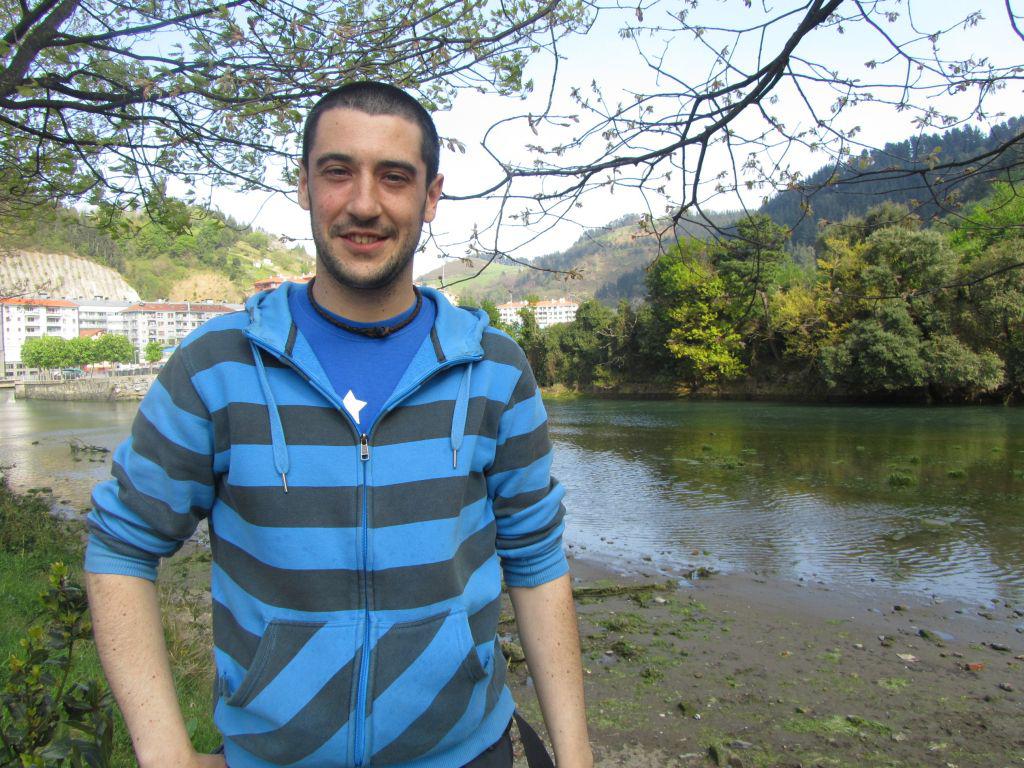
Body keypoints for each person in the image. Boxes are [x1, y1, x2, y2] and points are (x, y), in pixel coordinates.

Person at [84, 81, 593, 768]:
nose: (364, 204)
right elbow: (121, 545)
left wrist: (576, 757)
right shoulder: (218, 366)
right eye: (337, 171)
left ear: (431, 197)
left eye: (394, 177)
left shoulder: (494, 370)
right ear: (304, 185)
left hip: (468, 754)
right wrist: (165, 753)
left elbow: (535, 561)